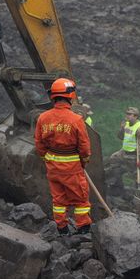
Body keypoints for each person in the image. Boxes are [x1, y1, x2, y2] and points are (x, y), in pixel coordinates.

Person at [35, 77, 93, 235]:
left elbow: (39, 143)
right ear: (70, 96)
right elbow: (84, 146)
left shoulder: (43, 118)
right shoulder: (76, 120)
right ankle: (83, 229)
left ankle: (62, 228)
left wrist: (46, 157)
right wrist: (84, 160)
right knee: (80, 199)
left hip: (52, 166)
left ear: (53, 96)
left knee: (58, 199)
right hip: (72, 167)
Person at [110, 107, 140, 188]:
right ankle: (118, 182)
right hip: (124, 151)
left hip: (133, 154)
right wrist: (122, 128)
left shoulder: (139, 128)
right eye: (127, 113)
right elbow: (120, 137)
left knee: (136, 174)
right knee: (113, 159)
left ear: (136, 116)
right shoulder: (126, 124)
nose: (127, 116)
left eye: (130, 114)